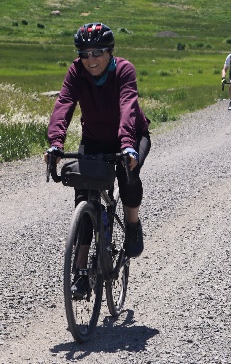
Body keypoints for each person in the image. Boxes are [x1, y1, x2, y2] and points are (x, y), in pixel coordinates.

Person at [46, 22, 151, 298]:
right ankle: (80, 273)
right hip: (94, 139)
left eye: (97, 52)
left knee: (129, 176)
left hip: (131, 136)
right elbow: (64, 103)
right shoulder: (76, 72)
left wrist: (128, 145)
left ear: (110, 51)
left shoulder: (124, 70)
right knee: (84, 199)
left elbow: (128, 105)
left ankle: (132, 225)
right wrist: (56, 143)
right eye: (84, 53)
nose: (90, 59)